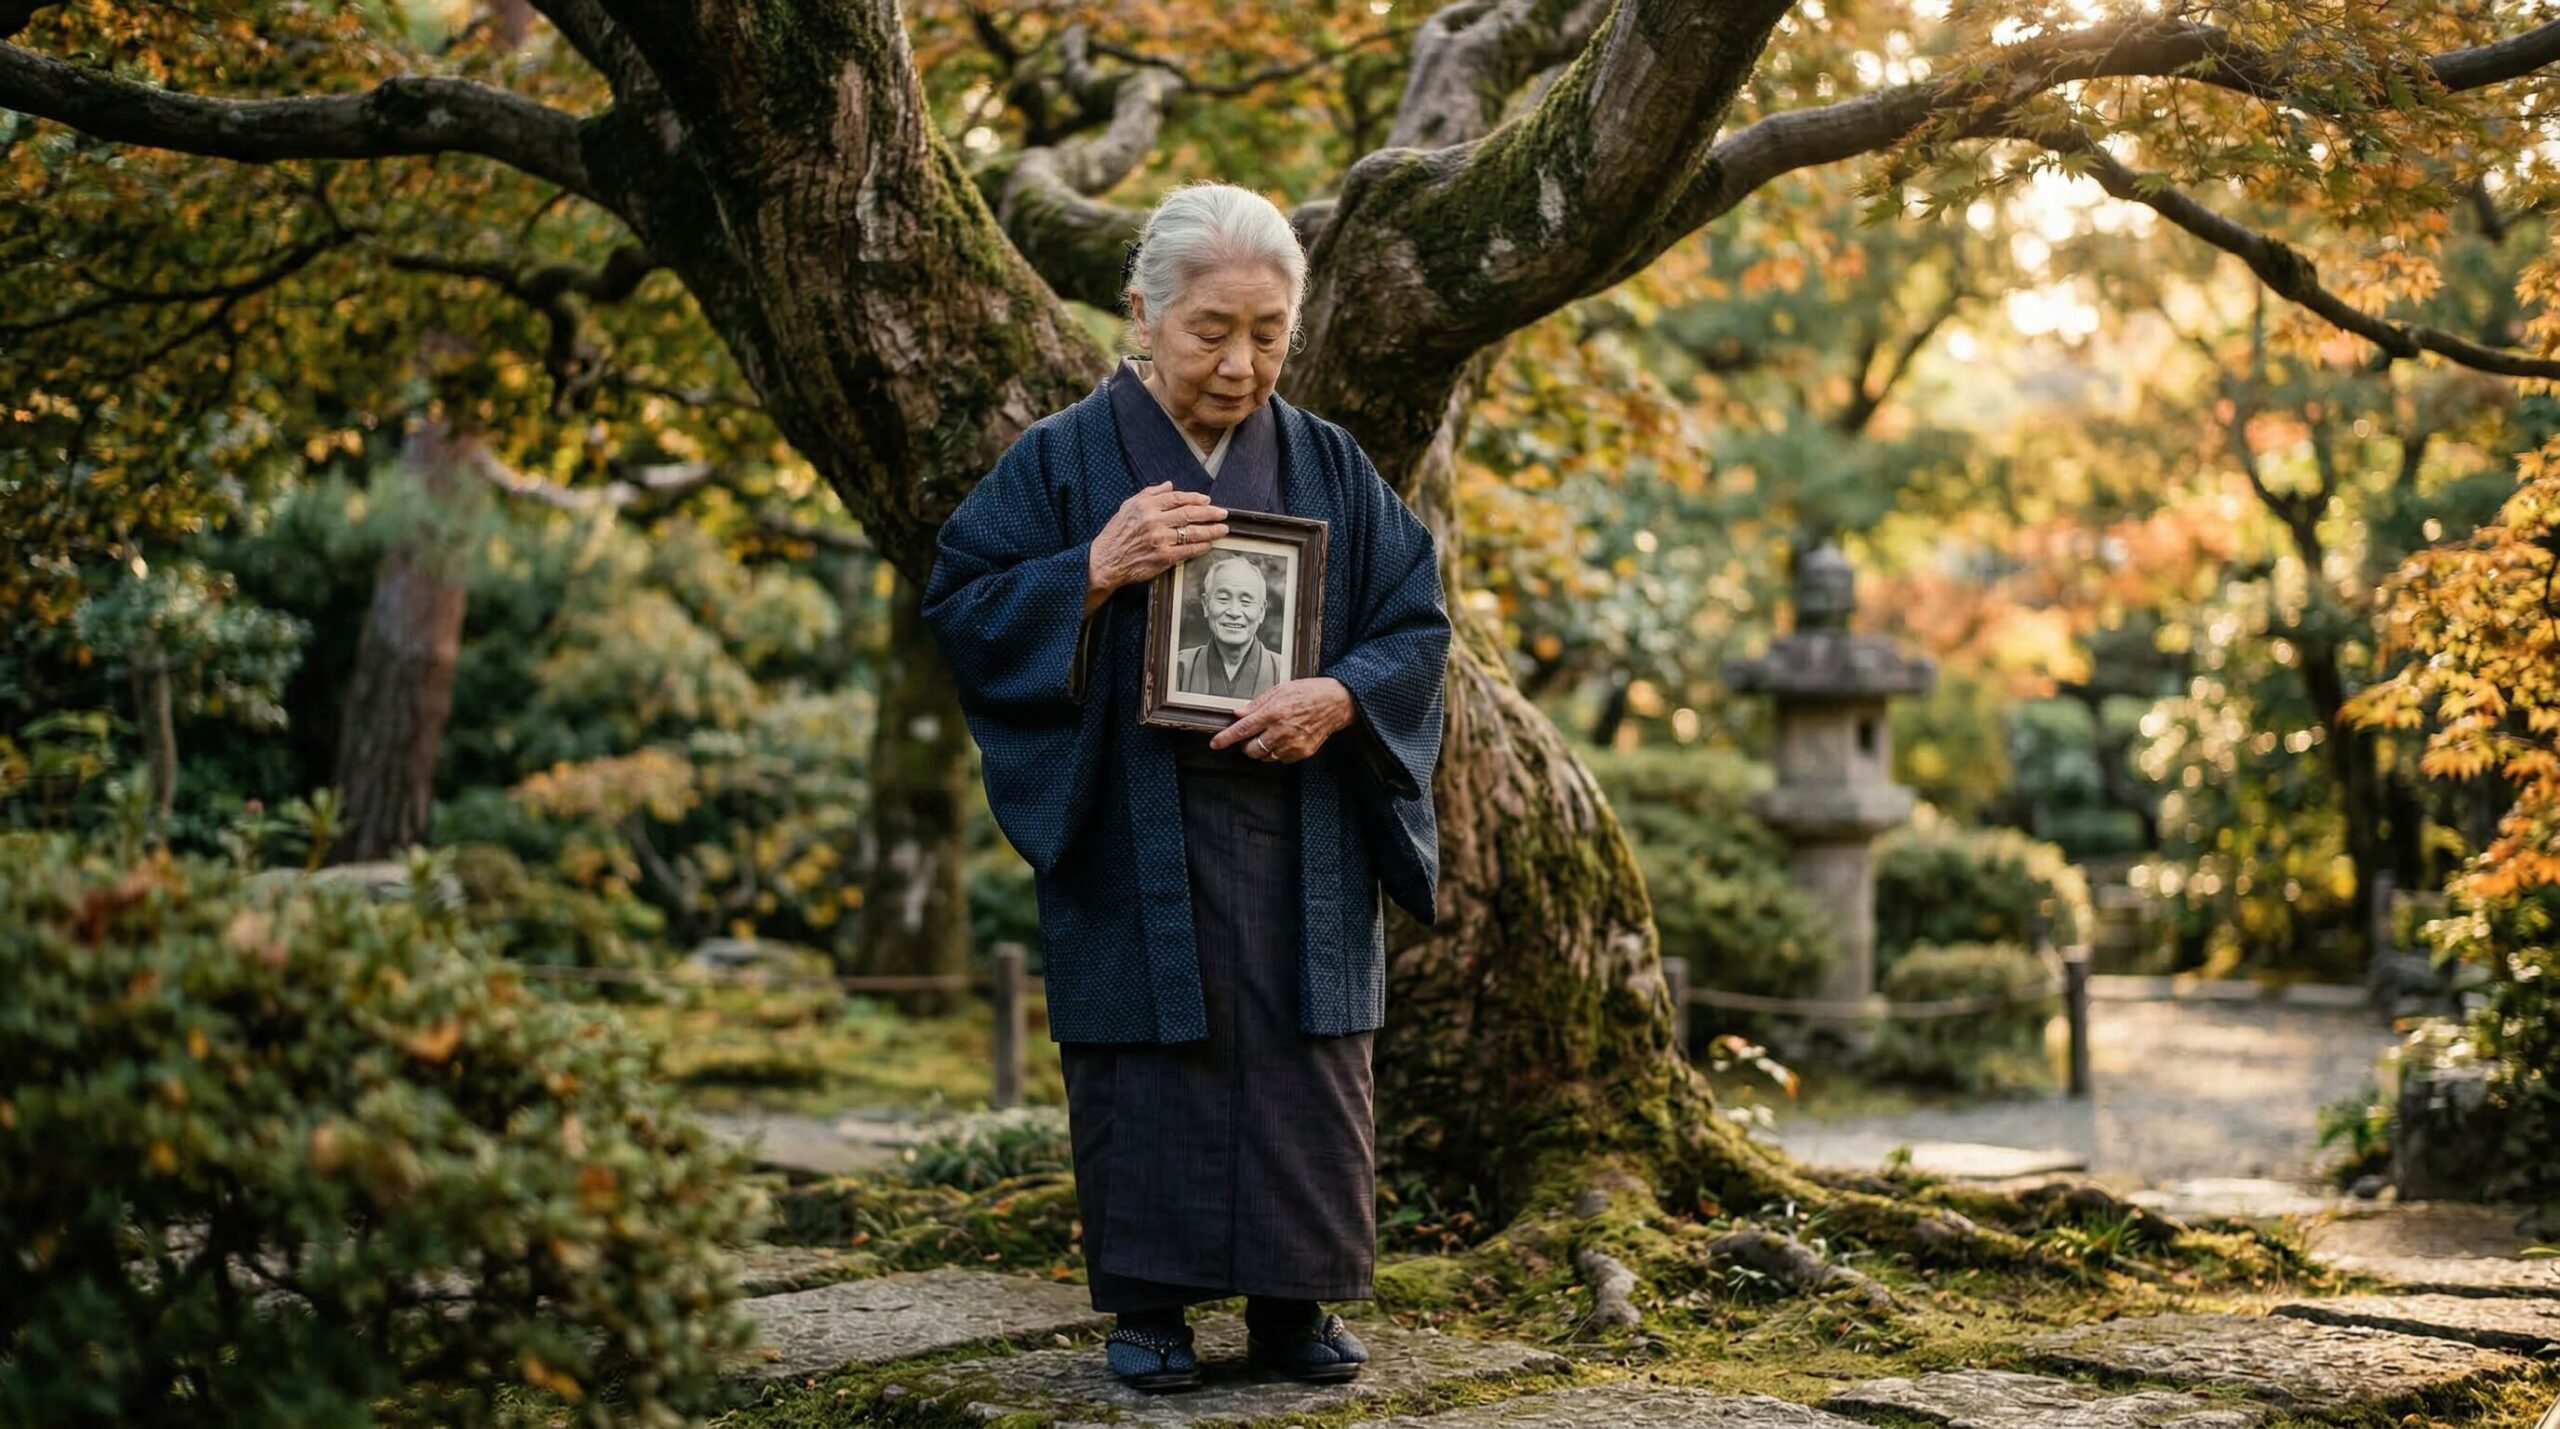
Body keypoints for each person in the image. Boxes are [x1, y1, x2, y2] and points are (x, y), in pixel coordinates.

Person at [923, 181, 1450, 1394]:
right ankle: (1150, 1308)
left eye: (1268, 332)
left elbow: (1414, 626)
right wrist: (1092, 570)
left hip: (1300, 825)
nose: (1239, 361)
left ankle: (1293, 1304)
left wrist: (1343, 699)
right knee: (1143, 1058)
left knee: (1301, 1058)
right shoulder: (1059, 462)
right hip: (1130, 818)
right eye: (1210, 328)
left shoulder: (1329, 464)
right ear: (1142, 314)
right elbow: (960, 605)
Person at [1174, 554, 1284, 700]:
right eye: (1223, 599)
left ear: (1262, 611)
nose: (1234, 612)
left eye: (1245, 601)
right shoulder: (1178, 667)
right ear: (1206, 605)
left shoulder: (1284, 672)